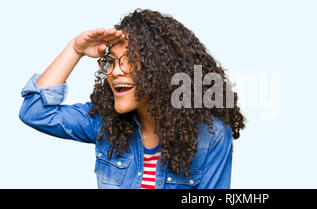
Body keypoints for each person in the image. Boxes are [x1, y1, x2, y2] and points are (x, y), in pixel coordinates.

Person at [19, 8, 245, 189]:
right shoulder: (103, 122)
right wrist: (75, 49)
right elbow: (35, 112)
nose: (116, 71)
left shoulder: (211, 135)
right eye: (112, 60)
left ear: (163, 70)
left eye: (131, 61)